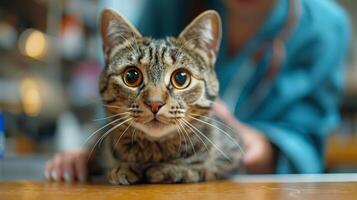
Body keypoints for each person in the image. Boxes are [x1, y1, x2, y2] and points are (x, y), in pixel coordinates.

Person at [45, 0, 351, 181]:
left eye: (178, 79)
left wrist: (263, 145)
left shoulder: (325, 27)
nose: (155, 99)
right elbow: (124, 79)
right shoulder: (168, 4)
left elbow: (310, 140)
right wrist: (98, 152)